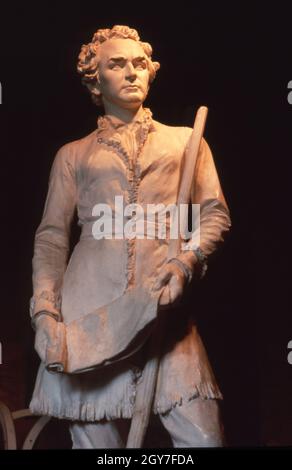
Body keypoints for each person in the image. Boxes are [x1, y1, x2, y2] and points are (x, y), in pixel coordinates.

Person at [29, 25, 231, 448]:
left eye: (139, 63)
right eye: (116, 64)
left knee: (204, 440)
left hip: (163, 311)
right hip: (88, 319)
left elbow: (214, 215)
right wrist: (45, 314)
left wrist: (184, 263)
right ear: (94, 78)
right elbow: (51, 240)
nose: (131, 72)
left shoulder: (186, 142)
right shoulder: (73, 155)